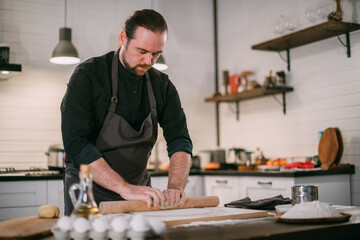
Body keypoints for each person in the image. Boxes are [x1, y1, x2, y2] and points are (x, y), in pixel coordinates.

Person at [61, 9, 192, 216]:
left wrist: (176, 187)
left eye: (156, 54)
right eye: (142, 51)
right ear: (123, 38)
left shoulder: (162, 86)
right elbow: (78, 144)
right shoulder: (88, 75)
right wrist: (125, 189)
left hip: (139, 196)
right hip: (89, 196)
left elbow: (180, 141)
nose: (149, 61)